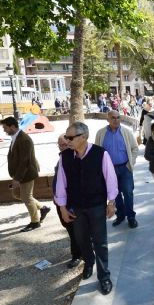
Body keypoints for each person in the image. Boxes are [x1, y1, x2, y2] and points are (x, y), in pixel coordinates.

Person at [54, 122, 119, 295]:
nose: (67, 141)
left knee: (100, 242)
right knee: (82, 239)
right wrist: (62, 208)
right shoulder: (65, 157)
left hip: (97, 205)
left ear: (83, 137)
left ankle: (104, 276)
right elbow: (61, 184)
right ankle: (89, 263)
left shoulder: (100, 154)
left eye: (70, 137)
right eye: (66, 137)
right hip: (76, 207)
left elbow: (110, 179)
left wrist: (111, 203)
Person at [1, 116, 50, 232]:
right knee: (18, 195)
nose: (4, 130)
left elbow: (25, 161)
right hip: (19, 173)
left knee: (26, 197)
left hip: (27, 173)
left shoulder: (24, 139)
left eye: (5, 128)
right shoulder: (16, 137)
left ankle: (35, 222)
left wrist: (17, 178)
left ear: (12, 126)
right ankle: (43, 208)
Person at [95, 110, 140, 228]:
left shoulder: (126, 132)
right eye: (113, 118)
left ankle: (131, 217)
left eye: (118, 117)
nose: (116, 120)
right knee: (115, 194)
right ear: (108, 119)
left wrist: (131, 163)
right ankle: (120, 215)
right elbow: (97, 152)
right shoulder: (101, 133)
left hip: (125, 168)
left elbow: (135, 148)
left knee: (128, 193)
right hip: (109, 170)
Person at [53, 134, 82, 268]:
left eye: (64, 144)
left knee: (75, 229)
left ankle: (77, 255)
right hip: (60, 202)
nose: (62, 147)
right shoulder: (62, 158)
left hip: (72, 202)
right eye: (60, 145)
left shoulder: (74, 158)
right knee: (70, 229)